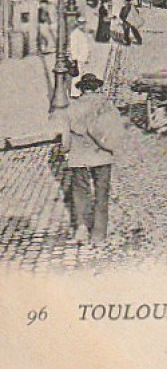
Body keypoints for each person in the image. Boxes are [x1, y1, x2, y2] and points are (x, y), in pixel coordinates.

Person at [61, 73, 126, 246]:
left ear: (82, 89)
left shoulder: (72, 107)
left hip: (78, 156)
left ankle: (81, 230)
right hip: (101, 154)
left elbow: (65, 139)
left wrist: (67, 151)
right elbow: (116, 131)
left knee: (80, 192)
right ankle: (98, 236)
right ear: (97, 87)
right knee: (101, 194)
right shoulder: (106, 106)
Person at [69, 17, 91, 97]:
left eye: (83, 23)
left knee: (81, 74)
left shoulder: (83, 33)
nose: (82, 25)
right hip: (78, 58)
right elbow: (73, 47)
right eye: (80, 23)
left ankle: (79, 90)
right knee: (76, 75)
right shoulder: (75, 34)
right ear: (77, 24)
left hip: (83, 57)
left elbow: (85, 46)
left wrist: (87, 56)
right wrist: (74, 59)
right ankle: (74, 93)